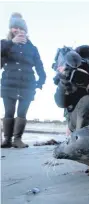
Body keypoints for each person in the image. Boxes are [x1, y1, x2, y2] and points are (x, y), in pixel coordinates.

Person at [1, 13, 46, 148]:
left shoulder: (32, 48)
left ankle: (17, 139)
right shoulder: (5, 44)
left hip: (27, 85)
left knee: (22, 112)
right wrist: (11, 43)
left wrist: (41, 81)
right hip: (8, 84)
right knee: (9, 111)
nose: (18, 31)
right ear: (10, 29)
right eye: (15, 28)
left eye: (21, 29)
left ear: (26, 31)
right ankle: (7, 139)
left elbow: (39, 66)